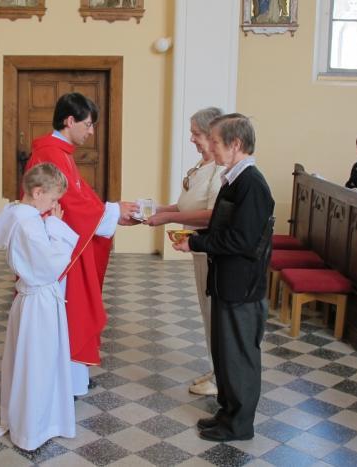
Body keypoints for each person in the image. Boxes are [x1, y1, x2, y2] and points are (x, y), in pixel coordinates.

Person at [24, 92, 138, 396]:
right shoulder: (51, 153)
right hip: (55, 251)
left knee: (71, 311)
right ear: (69, 120)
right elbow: (71, 205)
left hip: (65, 245)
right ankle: (62, 381)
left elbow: (81, 197)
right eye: (87, 124)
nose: (91, 131)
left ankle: (71, 376)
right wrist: (112, 211)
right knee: (68, 311)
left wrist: (113, 209)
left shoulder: (61, 152)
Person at [173, 114, 275, 442]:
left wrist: (196, 242)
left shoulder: (252, 184)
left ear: (235, 144)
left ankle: (239, 424)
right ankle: (226, 412)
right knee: (224, 353)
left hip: (242, 286)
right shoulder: (234, 179)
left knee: (240, 356)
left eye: (215, 141)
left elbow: (242, 241)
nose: (211, 148)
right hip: (226, 281)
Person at [0, 163, 78, 450]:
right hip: (38, 302)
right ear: (37, 192)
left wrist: (47, 222)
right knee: (38, 364)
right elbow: (49, 266)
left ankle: (33, 420)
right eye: (52, 200)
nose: (55, 206)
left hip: (29, 301)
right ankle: (33, 430)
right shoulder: (31, 224)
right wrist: (56, 226)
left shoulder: (15, 214)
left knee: (28, 360)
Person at [146, 107, 225, 396]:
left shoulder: (220, 168)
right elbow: (186, 206)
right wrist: (158, 210)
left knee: (215, 313)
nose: (192, 139)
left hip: (212, 249)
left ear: (212, 134)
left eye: (196, 134)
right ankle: (216, 366)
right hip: (199, 248)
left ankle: (221, 376)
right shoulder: (203, 164)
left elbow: (213, 214)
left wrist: (166, 218)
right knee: (206, 313)